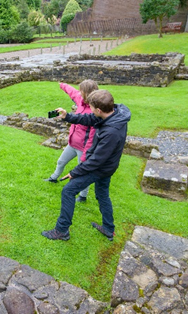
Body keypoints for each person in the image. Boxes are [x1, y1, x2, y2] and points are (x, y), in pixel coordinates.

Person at [41, 90, 131, 242]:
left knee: (68, 191)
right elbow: (89, 118)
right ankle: (109, 229)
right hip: (108, 166)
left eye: (92, 107)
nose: (90, 110)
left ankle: (61, 230)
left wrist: (75, 172)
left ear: (99, 110)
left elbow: (96, 160)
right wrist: (67, 116)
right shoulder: (115, 114)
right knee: (102, 195)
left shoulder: (112, 131)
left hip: (101, 168)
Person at [44, 80, 98, 203]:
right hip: (72, 144)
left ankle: (83, 196)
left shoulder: (94, 113)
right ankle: (53, 178)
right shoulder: (81, 101)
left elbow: (92, 137)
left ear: (87, 93)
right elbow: (73, 92)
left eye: (82, 91)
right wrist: (62, 85)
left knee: (83, 173)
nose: (79, 93)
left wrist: (86, 154)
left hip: (83, 148)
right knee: (61, 161)